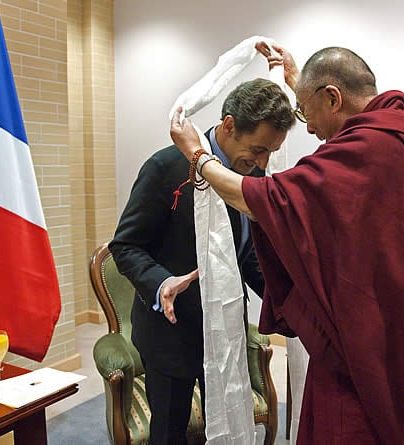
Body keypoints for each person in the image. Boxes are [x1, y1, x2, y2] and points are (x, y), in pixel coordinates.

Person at [170, 44, 404, 445]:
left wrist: (199, 157)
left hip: (378, 340)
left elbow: (266, 199)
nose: (308, 128)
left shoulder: (371, 149)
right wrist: (300, 86)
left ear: (333, 97)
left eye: (307, 114)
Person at [109, 78, 294, 445]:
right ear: (228, 126)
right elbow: (126, 245)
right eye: (258, 149)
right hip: (172, 334)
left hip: (225, 330)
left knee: (225, 425)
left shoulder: (251, 173)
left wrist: (289, 298)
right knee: (170, 433)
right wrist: (162, 283)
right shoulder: (166, 167)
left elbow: (247, 253)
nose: (262, 164)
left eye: (270, 153)